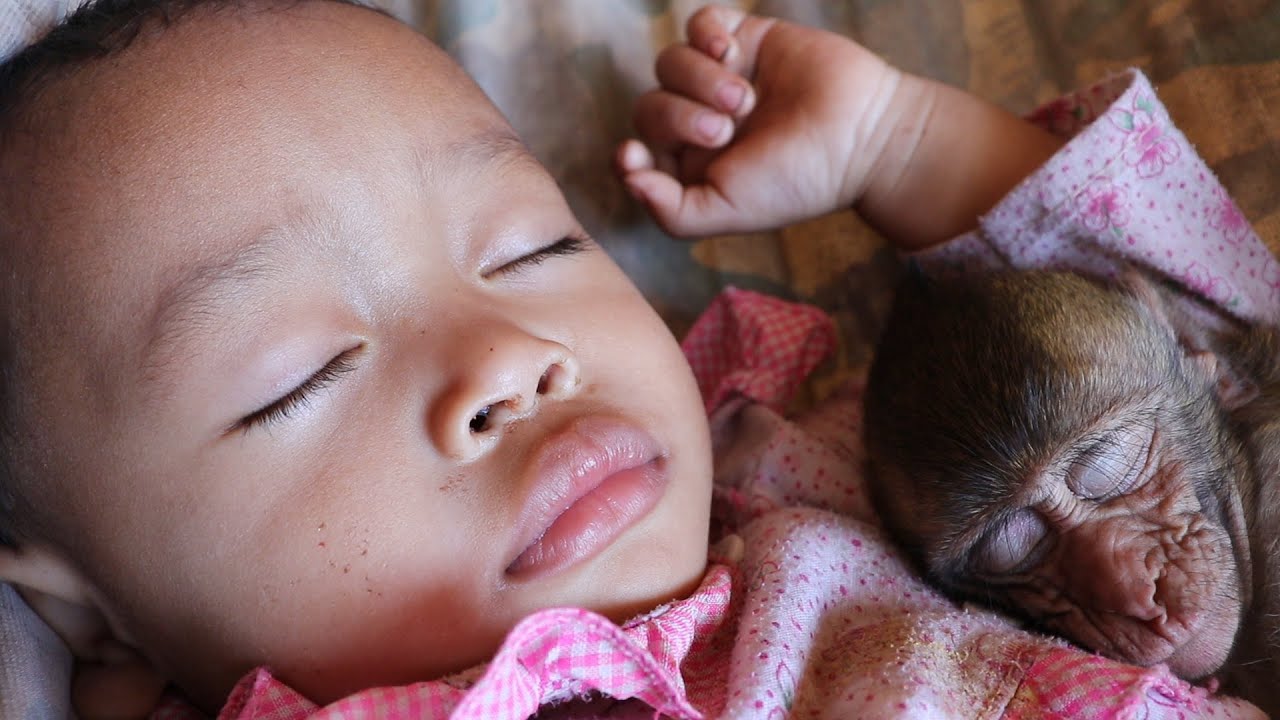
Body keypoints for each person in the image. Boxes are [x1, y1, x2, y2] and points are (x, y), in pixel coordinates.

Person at [0, 1, 1272, 718]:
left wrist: (893, 141)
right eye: (300, 373)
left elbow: (1168, 332)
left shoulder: (782, 476)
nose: (511, 354)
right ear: (86, 610)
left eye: (526, 248)